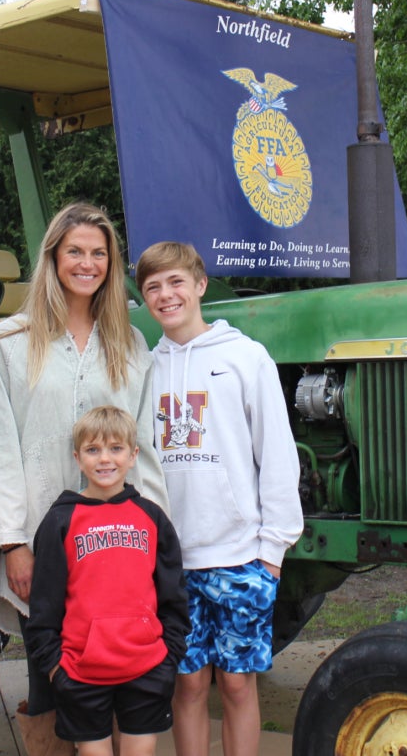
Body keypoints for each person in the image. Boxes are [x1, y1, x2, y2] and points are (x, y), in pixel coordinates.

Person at [0, 201, 169, 750]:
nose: (87, 263)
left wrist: (156, 536)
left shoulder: (130, 345)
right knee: (50, 673)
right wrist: (14, 542)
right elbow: (2, 447)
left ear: (110, 265)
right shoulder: (11, 343)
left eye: (98, 254)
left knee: (120, 670)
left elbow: (147, 446)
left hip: (119, 545)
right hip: (45, 537)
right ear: (53, 258)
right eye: (75, 252)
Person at [135, 241, 304, 756]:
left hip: (240, 558)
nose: (166, 295)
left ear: (200, 285)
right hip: (173, 563)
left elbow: (276, 454)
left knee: (235, 685)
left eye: (176, 282)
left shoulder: (245, 358)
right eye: (153, 287)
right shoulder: (145, 369)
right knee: (187, 686)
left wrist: (271, 553)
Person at [24, 406, 189, 756]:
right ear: (77, 457)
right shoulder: (61, 521)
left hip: (146, 666)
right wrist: (57, 667)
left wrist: (168, 657)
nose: (105, 459)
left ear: (133, 455)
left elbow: (173, 596)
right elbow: (44, 605)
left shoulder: (151, 518)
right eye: (93, 449)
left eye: (116, 448)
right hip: (81, 670)